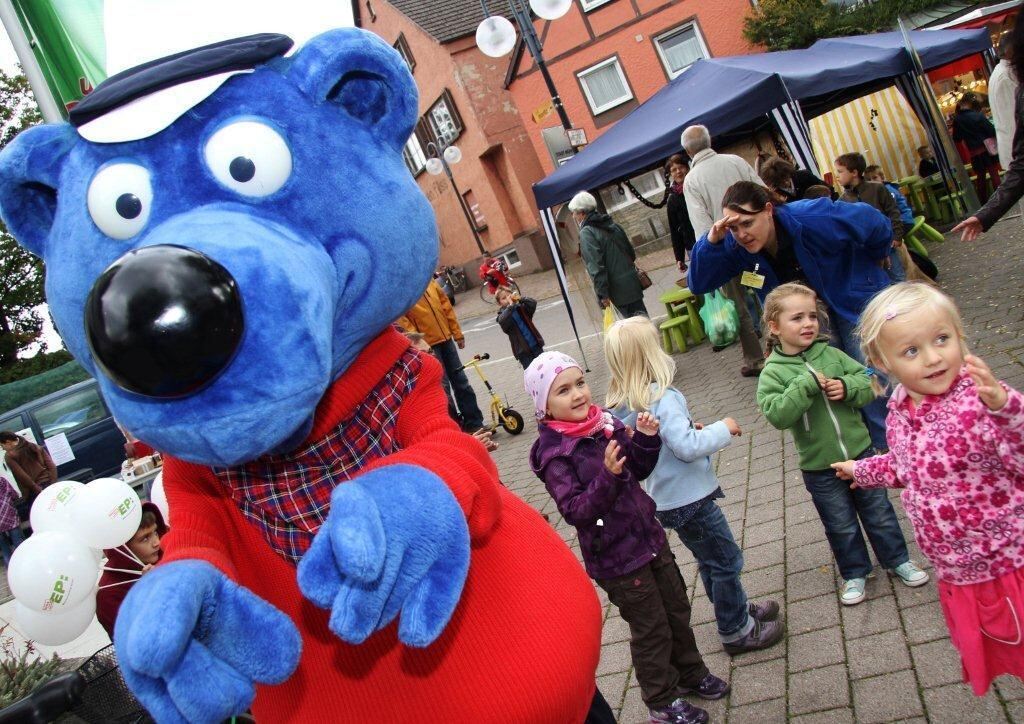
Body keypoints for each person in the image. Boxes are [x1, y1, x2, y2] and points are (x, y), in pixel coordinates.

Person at [832, 282, 1024, 695]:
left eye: (942, 339)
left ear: (960, 337)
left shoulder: (979, 400)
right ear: (882, 362)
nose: (934, 358)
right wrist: (860, 470)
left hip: (1006, 563)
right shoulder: (902, 406)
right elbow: (908, 467)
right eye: (912, 351)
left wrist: (1005, 409)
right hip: (958, 568)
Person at [528, 351, 725, 724]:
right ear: (543, 406)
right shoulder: (556, 455)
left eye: (580, 383)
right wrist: (607, 475)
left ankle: (690, 673)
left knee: (677, 609)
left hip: (648, 537)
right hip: (616, 556)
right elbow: (576, 511)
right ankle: (661, 700)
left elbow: (638, 468)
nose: (578, 394)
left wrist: (647, 440)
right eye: (563, 390)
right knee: (650, 627)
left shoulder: (604, 423)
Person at [604, 317, 785, 655]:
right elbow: (685, 447)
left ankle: (735, 608)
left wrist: (687, 428)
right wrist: (722, 428)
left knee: (710, 560)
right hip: (691, 499)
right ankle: (736, 630)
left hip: (669, 499)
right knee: (726, 560)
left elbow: (664, 441)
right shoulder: (663, 396)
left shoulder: (630, 402)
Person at [686, 181, 894, 451]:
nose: (741, 234)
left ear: (768, 210)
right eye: (733, 227)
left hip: (851, 302)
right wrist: (712, 241)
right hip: (806, 320)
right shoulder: (735, 247)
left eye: (747, 223)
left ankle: (890, 447)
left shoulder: (812, 216)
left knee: (869, 375)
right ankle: (860, 451)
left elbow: (875, 223)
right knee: (831, 383)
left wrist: (878, 257)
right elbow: (698, 283)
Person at [756, 284, 927, 606]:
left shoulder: (831, 353)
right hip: (820, 467)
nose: (808, 323)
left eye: (812, 316)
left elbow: (869, 381)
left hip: (861, 455)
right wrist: (804, 385)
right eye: (797, 318)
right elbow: (777, 414)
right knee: (840, 525)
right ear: (775, 327)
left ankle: (897, 559)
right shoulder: (773, 373)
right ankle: (855, 572)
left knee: (879, 513)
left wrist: (847, 387)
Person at [681, 125, 765, 377]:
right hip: (755, 243)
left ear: (687, 150)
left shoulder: (692, 180)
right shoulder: (735, 161)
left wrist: (710, 261)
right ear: (711, 140)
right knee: (764, 293)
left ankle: (756, 359)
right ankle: (779, 349)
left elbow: (703, 228)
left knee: (739, 305)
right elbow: (762, 191)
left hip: (727, 253)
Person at [954, 19, 1024, 241]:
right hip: (995, 150)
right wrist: (986, 215)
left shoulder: (1003, 77)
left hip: (987, 150)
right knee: (989, 176)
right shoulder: (1007, 78)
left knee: (986, 177)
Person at [397, 280, 486, 432]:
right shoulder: (402, 287)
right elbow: (403, 320)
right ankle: (456, 430)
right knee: (443, 390)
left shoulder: (430, 282)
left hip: (446, 340)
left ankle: (475, 423)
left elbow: (446, 306)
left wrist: (457, 333)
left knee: (462, 382)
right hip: (429, 346)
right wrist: (420, 342)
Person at [569, 191, 649, 318]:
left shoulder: (587, 233)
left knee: (634, 331)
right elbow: (631, 254)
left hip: (616, 290)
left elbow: (596, 267)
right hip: (632, 283)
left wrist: (603, 294)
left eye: (574, 212)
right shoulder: (613, 224)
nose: (573, 216)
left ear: (582, 212)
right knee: (644, 322)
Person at [96, 501, 167, 638]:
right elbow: (137, 646)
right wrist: (151, 592)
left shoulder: (167, 556)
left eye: (155, 532)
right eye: (145, 538)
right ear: (124, 548)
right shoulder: (109, 594)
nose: (156, 542)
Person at [835, 152, 905, 283]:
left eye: (840, 171)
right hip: (865, 249)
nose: (837, 176)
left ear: (854, 172)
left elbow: (893, 211)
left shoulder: (877, 188)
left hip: (886, 242)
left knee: (897, 277)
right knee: (878, 282)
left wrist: (897, 235)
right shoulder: (841, 201)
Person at [951, 93, 1001, 204]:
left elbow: (956, 138)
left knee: (980, 178)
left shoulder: (957, 120)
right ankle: (1000, 199)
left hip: (973, 153)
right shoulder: (978, 116)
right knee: (994, 174)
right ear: (971, 103)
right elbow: (991, 131)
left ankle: (982, 202)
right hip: (986, 150)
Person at [0, 431, 57, 521]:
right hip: (49, 484)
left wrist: (38, 490)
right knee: (56, 512)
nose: (3, 449)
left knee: (42, 519)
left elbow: (23, 477)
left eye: (2, 446)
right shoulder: (34, 446)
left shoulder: (9, 456)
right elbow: (51, 466)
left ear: (8, 442)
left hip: (33, 492)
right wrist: (53, 484)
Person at [495, 286, 544, 369]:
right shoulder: (502, 316)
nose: (507, 298)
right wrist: (510, 306)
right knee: (531, 373)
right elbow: (502, 320)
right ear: (500, 303)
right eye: (504, 298)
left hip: (535, 345)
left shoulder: (520, 308)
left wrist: (520, 298)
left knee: (545, 368)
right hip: (522, 351)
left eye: (508, 295)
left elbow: (533, 303)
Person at [990, 32, 1018, 171]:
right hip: (1016, 152)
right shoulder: (1005, 76)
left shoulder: (1003, 72)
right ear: (1010, 51)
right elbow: (1014, 118)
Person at [665, 154, 696, 274]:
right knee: (707, 281)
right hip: (692, 246)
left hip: (711, 237)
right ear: (671, 174)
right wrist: (679, 258)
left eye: (681, 167)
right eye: (673, 170)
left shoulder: (697, 186)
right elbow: (675, 230)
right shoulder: (672, 200)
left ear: (687, 168)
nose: (678, 172)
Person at [757, 156, 830, 203]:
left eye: (786, 178)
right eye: (780, 183)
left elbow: (828, 190)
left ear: (789, 172)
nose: (785, 183)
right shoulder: (776, 194)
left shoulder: (804, 175)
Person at [0, 476, 25, 566]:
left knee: (5, 550)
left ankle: (12, 571)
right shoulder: (1, 480)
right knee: (19, 544)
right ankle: (26, 564)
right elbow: (14, 495)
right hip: (9, 517)